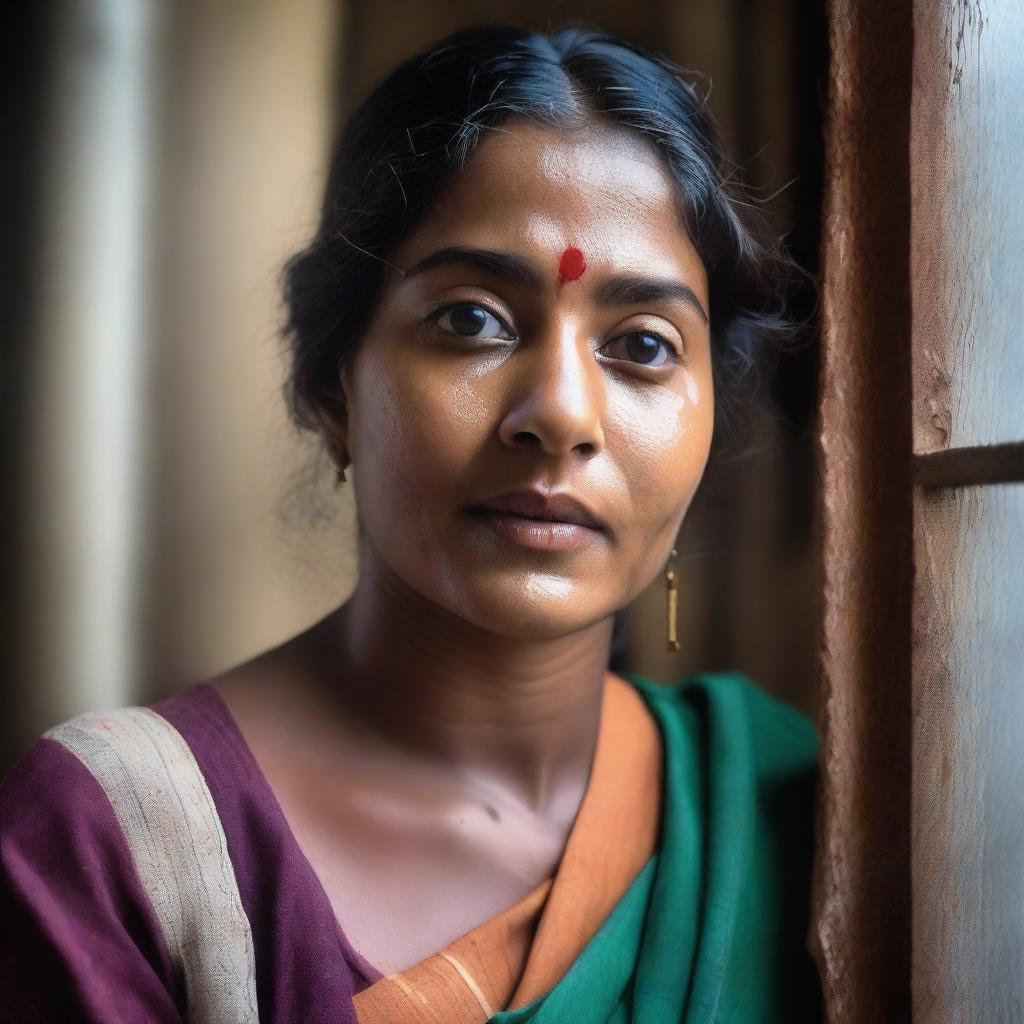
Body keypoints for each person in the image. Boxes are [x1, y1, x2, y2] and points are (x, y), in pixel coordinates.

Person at [0, 23, 821, 1023]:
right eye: (471, 319)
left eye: (643, 345)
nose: (561, 412)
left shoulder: (792, 814)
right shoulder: (114, 841)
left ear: (708, 421)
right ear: (334, 383)